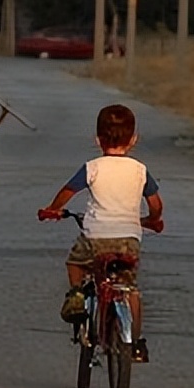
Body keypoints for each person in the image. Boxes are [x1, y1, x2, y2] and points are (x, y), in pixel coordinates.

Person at [37, 104, 163, 363]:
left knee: (75, 263)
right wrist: (152, 220)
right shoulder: (140, 170)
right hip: (129, 240)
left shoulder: (92, 168)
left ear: (97, 140)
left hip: (95, 238)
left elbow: (67, 193)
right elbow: (155, 204)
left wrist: (53, 209)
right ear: (134, 139)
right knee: (129, 288)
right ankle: (136, 343)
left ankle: (76, 295)